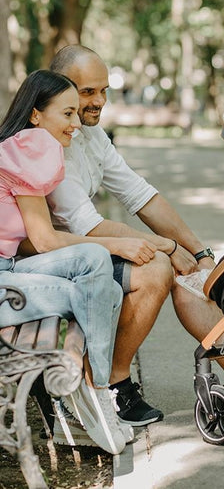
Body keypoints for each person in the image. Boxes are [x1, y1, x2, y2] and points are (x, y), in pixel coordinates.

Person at [47, 45, 224, 421]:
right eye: (87, 92)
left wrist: (198, 251)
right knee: (156, 269)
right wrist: (166, 247)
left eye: (103, 90)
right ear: (60, 88)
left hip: (89, 248)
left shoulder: (91, 136)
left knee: (192, 274)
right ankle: (112, 385)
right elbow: (88, 225)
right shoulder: (51, 141)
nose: (98, 101)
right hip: (56, 255)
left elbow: (141, 195)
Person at [0, 69, 159, 453]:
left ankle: (93, 391)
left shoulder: (27, 145)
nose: (76, 124)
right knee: (98, 274)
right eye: (67, 114)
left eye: (76, 114)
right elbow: (44, 239)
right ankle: (96, 391)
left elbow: (29, 243)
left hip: (12, 270)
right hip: (6, 283)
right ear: (36, 114)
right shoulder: (27, 149)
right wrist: (116, 246)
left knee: (101, 282)